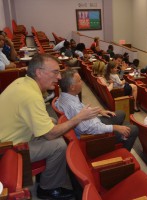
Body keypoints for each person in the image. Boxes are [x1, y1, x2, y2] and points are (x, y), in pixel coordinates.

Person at [0, 54, 99, 199]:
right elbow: (50, 134)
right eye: (55, 72)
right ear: (39, 72)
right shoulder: (30, 95)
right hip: (7, 149)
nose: (59, 77)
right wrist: (78, 118)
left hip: (11, 137)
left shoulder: (23, 82)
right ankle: (48, 189)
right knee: (58, 146)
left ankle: (46, 175)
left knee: (52, 120)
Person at [56, 69, 139, 151]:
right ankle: (122, 153)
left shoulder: (65, 97)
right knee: (134, 129)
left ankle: (121, 136)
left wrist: (99, 111)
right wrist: (114, 127)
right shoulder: (72, 106)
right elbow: (89, 128)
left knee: (121, 113)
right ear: (72, 87)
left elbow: (81, 109)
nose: (81, 83)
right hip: (93, 136)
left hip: (94, 122)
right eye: (79, 81)